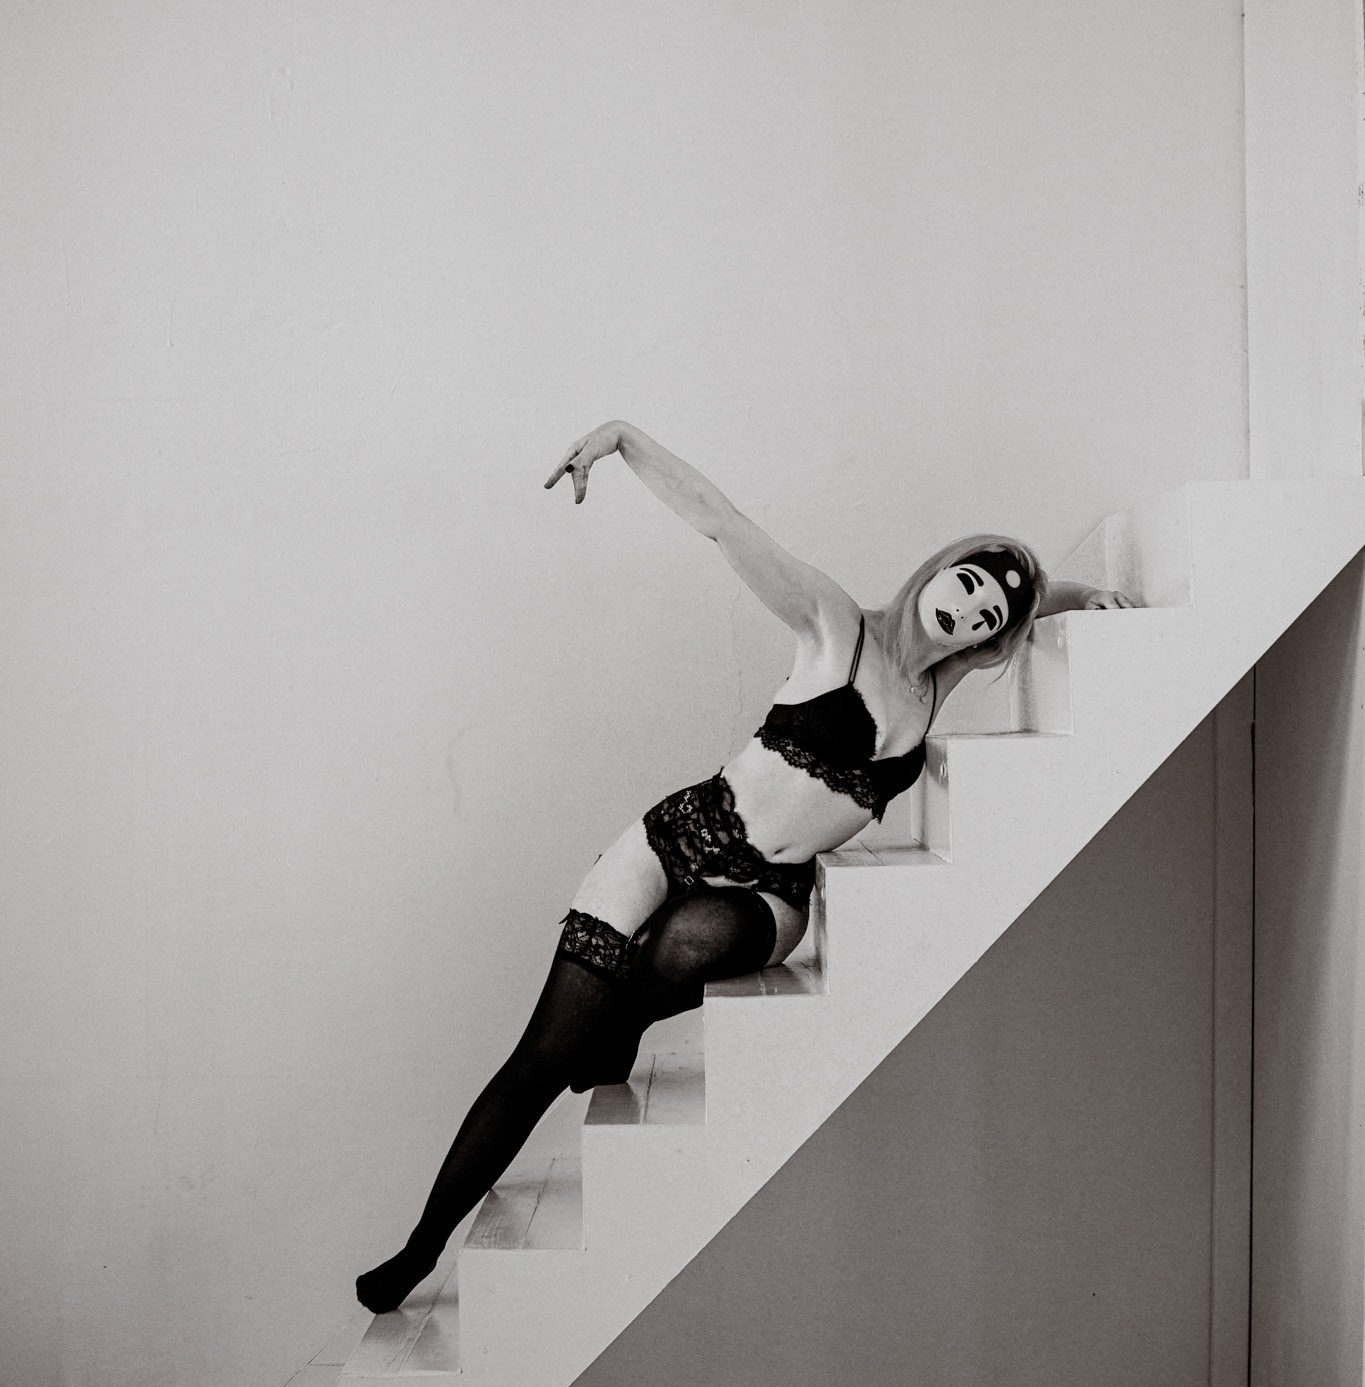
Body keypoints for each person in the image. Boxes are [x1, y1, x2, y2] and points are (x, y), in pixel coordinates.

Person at [355, 423, 1125, 1313]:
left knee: (678, 949)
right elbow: (724, 524)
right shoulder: (836, 625)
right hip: (682, 835)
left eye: (988, 617)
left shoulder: (932, 687)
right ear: (938, 570)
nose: (968, 613)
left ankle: (621, 1028)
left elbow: (1025, 601)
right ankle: (420, 1250)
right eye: (966, 585)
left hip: (769, 894)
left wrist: (1076, 596)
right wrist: (622, 442)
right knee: (544, 1052)